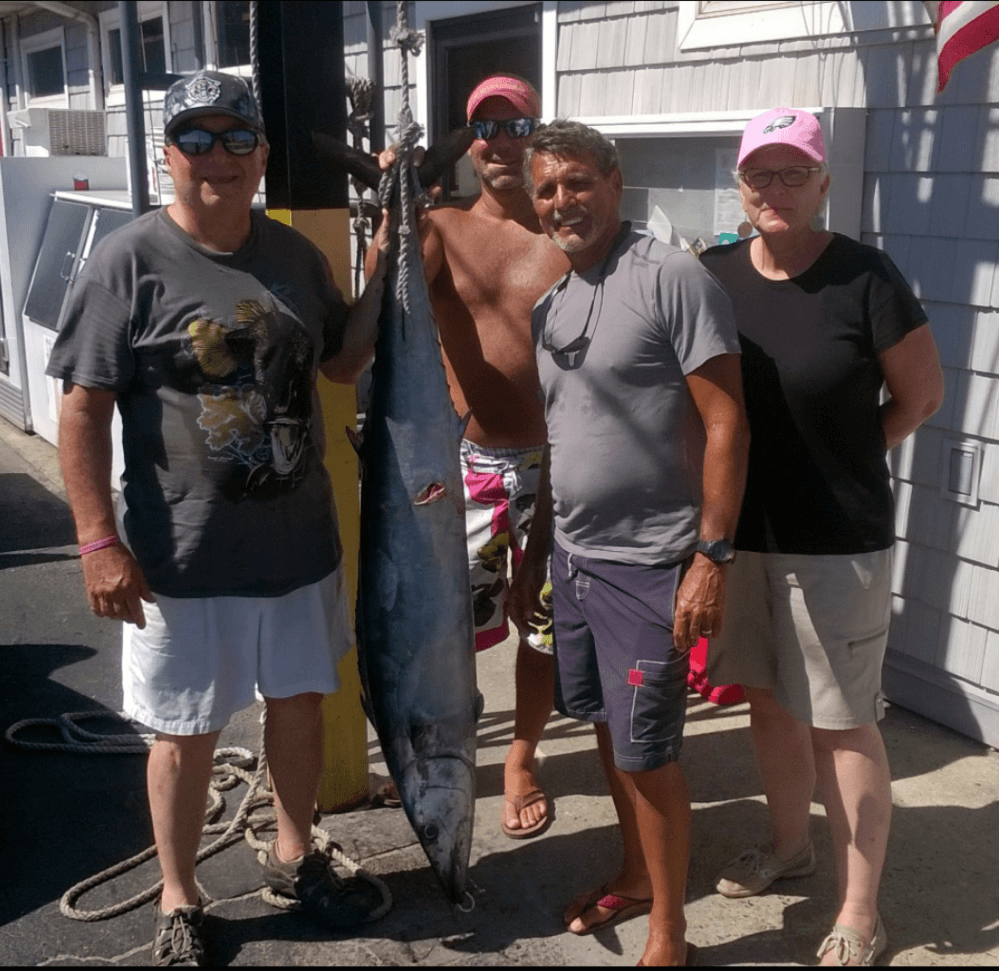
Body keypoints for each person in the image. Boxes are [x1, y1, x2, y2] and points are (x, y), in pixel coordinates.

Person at [46, 70, 389, 967]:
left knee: (300, 705)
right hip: (179, 559)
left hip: (299, 546)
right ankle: (180, 895)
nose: (218, 157)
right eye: (195, 138)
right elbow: (81, 411)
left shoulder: (293, 256)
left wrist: (391, 254)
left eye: (236, 138)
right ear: (166, 153)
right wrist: (95, 541)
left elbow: (345, 364)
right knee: (184, 731)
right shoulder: (128, 260)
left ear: (262, 154)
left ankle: (293, 853)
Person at [700, 107, 944, 966]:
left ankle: (858, 906)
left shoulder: (866, 277)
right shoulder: (714, 274)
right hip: (742, 535)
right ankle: (790, 846)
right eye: (761, 174)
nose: (776, 189)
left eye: (793, 172)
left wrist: (846, 453)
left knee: (842, 722)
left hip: (839, 539)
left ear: (823, 182)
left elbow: (920, 398)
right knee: (768, 700)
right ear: (740, 184)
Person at [514, 120, 750, 967]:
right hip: (575, 562)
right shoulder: (552, 302)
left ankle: (669, 936)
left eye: (577, 182)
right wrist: (536, 556)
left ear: (615, 180)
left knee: (649, 754)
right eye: (546, 189)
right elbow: (561, 440)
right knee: (612, 734)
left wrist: (710, 558)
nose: (562, 202)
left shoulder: (671, 276)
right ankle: (637, 873)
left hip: (654, 565)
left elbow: (726, 422)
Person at [372, 75, 570, 838]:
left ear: (537, 136)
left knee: (542, 623)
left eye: (519, 125)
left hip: (557, 465)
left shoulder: (567, 233)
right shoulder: (443, 228)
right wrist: (394, 205)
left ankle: (521, 753)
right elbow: (380, 300)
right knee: (443, 624)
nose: (501, 140)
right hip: (471, 464)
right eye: (486, 126)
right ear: (469, 138)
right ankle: (444, 748)